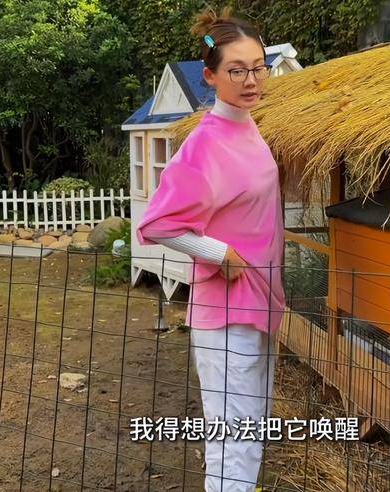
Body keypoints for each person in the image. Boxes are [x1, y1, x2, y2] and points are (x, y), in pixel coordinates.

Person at [135, 6, 286, 491]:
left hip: (258, 304)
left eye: (258, 67)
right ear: (210, 76)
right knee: (235, 442)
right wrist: (220, 253)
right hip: (225, 316)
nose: (251, 80)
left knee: (249, 434)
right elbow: (158, 223)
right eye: (236, 70)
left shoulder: (248, 127)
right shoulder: (204, 144)